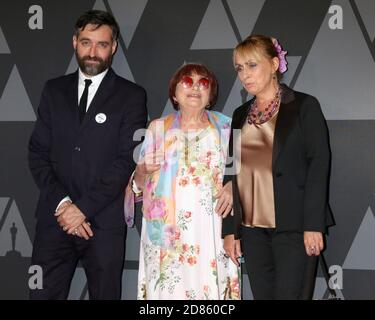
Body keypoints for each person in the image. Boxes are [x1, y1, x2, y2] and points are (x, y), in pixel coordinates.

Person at [28, 10, 147, 300]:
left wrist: (82, 209)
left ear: (114, 47)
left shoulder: (132, 95)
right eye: (86, 42)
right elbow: (37, 153)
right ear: (74, 42)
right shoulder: (53, 90)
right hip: (54, 220)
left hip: (104, 224)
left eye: (102, 44)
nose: (93, 52)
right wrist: (64, 205)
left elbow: (126, 160)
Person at [222, 35, 334, 300]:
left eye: (252, 65)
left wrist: (313, 225)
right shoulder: (240, 114)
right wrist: (230, 230)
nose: (245, 75)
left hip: (294, 227)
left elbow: (319, 165)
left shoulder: (304, 106)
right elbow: (231, 170)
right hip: (252, 229)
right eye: (239, 68)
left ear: (274, 64)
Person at [125, 63, 240, 300]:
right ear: (175, 93)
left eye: (203, 83)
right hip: (166, 236)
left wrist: (234, 186)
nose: (195, 87)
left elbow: (247, 178)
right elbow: (136, 187)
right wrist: (142, 169)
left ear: (211, 94)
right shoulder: (157, 128)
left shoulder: (228, 128)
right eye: (187, 82)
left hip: (212, 230)